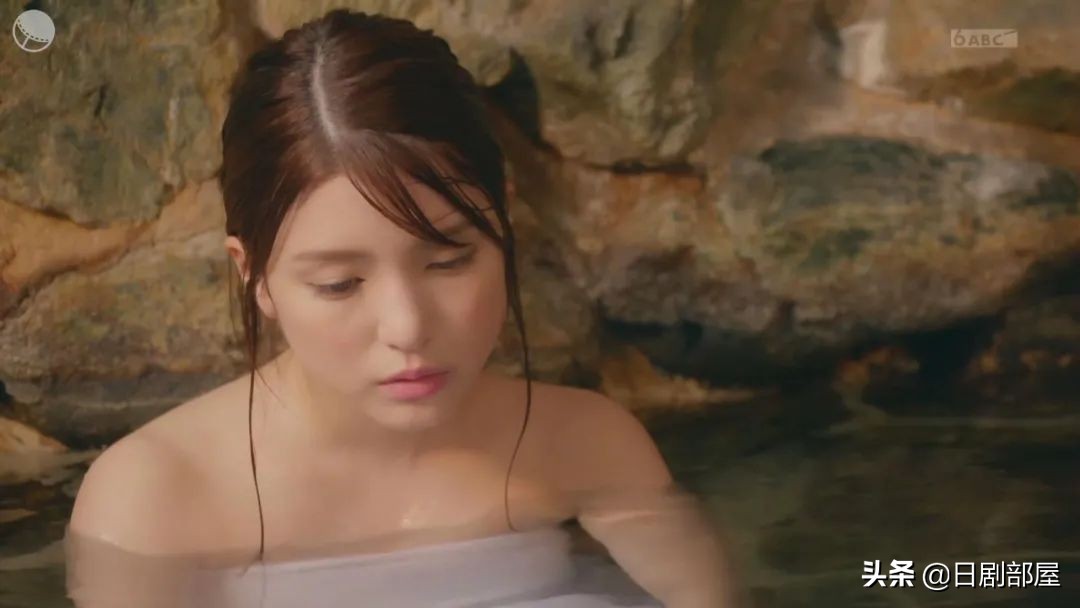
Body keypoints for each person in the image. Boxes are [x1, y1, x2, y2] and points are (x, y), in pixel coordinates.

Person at [66, 9, 734, 607]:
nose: (408, 326)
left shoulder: (584, 445)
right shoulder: (153, 500)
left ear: (503, 226)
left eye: (448, 261)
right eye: (339, 284)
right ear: (255, 276)